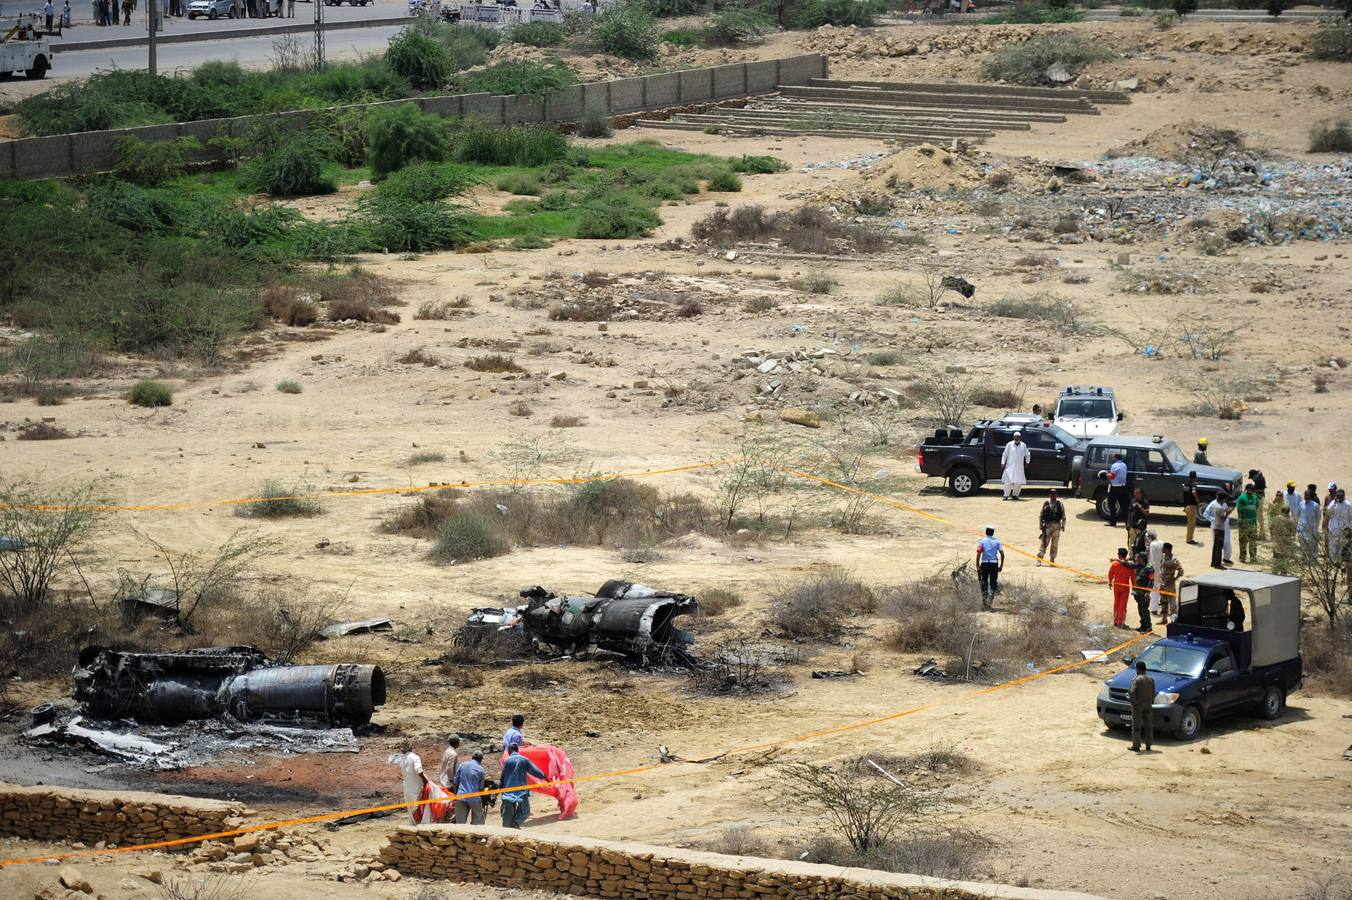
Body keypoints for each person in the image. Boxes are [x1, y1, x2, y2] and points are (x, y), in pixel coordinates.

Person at [389, 740, 449, 825]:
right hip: (416, 787)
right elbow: (419, 771)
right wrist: (425, 782)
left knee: (411, 809)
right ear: (411, 747)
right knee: (421, 807)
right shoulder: (415, 757)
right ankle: (422, 825)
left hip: (407, 788)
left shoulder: (402, 759)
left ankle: (413, 826)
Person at [499, 744, 546, 829]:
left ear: (510, 751)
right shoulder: (524, 760)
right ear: (517, 750)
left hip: (508, 792)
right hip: (522, 791)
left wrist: (501, 790)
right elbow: (534, 771)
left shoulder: (507, 761)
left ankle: (506, 829)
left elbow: (503, 776)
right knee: (525, 811)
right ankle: (515, 822)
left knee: (508, 813)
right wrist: (544, 776)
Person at [452, 751, 488, 825]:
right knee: (477, 822)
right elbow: (481, 787)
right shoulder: (481, 770)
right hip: (474, 798)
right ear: (481, 759)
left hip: (461, 796)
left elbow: (456, 782)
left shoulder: (463, 765)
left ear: (472, 757)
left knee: (460, 823)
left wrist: (457, 794)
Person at [1128, 660, 1155, 753]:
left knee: (1136, 725)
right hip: (1148, 704)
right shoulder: (1151, 679)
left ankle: (1136, 746)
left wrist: (1133, 701)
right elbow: (1153, 693)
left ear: (1138, 669)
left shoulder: (1137, 679)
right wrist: (1151, 701)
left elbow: (1132, 692)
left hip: (1138, 705)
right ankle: (1148, 745)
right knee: (1148, 725)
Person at [976, 526, 1003, 609]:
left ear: (986, 532)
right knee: (993, 582)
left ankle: (984, 601)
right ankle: (991, 598)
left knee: (984, 582)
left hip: (984, 564)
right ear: (993, 533)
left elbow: (978, 553)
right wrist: (1001, 565)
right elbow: (1002, 554)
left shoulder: (982, 541)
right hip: (994, 564)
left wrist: (977, 565)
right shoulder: (997, 542)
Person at [1327, 487, 1352, 572]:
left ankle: (1341, 566)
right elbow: (1328, 512)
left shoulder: (1348, 505)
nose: (1339, 497)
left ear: (1344, 496)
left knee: (1342, 549)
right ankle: (1335, 565)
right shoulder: (1333, 503)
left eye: (1341, 496)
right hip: (1333, 530)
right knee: (1332, 549)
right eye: (1338, 496)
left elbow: (1351, 518)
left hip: (1343, 531)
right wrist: (1334, 502)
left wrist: (1350, 530)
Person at [1038, 489, 1066, 565]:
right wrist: (1040, 524)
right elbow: (1041, 514)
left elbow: (1063, 516)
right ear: (1049, 495)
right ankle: (1039, 559)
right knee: (1044, 542)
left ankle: (1052, 559)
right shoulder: (1046, 503)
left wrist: (1063, 525)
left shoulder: (1060, 504)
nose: (1053, 496)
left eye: (1054, 494)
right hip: (1047, 526)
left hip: (1056, 526)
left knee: (1055, 544)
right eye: (1052, 494)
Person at [1157, 542, 1183, 624]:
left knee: (1172, 604)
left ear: (1167, 549)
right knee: (1163, 602)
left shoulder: (1174, 560)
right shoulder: (1163, 557)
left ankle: (1174, 620)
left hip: (1170, 585)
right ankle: (1164, 619)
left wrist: (1175, 578)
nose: (1162, 550)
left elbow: (1181, 571)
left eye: (1163, 548)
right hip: (1162, 583)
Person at [1203, 493, 1231, 569]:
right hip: (1218, 526)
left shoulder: (1223, 504)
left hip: (1224, 526)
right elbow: (1205, 514)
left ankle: (1223, 559)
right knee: (1218, 545)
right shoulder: (1214, 505)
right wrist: (1214, 520)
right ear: (1223, 498)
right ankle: (1217, 563)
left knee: (1224, 543)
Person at [1269, 490, 1295, 571]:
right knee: (1284, 558)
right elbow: (1293, 531)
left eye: (1280, 495)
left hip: (1278, 540)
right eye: (1277, 495)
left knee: (1277, 557)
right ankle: (1283, 571)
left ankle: (1276, 571)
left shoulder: (1277, 518)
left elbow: (1271, 528)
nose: (1278, 497)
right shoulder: (1290, 520)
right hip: (1285, 541)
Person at [1235, 483, 1261, 565]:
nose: (1252, 490)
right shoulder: (1241, 498)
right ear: (1247, 489)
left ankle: (1253, 557)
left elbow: (1256, 507)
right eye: (1251, 489)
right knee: (1243, 541)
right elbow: (1239, 510)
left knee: (1253, 541)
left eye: (1253, 489)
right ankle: (1243, 557)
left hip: (1253, 523)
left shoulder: (1255, 497)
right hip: (1244, 523)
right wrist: (1241, 522)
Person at [1000, 432, 1030, 501]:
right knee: (1007, 482)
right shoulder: (1009, 444)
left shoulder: (1023, 445)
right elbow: (1005, 454)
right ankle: (1006, 495)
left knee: (1018, 482)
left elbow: (1027, 454)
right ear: (1013, 437)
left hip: (1019, 467)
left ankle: (1015, 495)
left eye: (1018, 437)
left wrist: (1027, 462)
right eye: (1015, 437)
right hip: (1009, 467)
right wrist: (1002, 463)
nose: (1016, 438)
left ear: (1020, 437)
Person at [1108, 548, 1133, 629]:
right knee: (1123, 605)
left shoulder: (1115, 564)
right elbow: (1133, 577)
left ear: (1120, 555)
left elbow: (1110, 574)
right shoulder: (1129, 565)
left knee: (1116, 603)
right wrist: (1134, 587)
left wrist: (1110, 582)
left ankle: (1115, 621)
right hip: (1125, 586)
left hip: (1116, 586)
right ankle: (1120, 622)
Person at [1129, 550, 1153, 633]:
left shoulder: (1149, 569)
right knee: (1140, 609)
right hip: (1137, 593)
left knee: (1144, 610)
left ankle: (1148, 627)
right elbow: (1129, 565)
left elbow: (1151, 581)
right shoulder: (1138, 566)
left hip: (1144, 593)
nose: (1136, 559)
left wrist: (1147, 592)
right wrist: (1121, 561)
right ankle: (1142, 626)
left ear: (1142, 559)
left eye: (1138, 557)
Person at [1297, 485, 1323, 559]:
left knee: (1312, 544)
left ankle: (1312, 560)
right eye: (1305, 495)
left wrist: (1314, 526)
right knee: (1303, 544)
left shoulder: (1315, 505)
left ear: (1310, 496)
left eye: (1307, 495)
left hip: (1312, 529)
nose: (1306, 497)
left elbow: (1318, 517)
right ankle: (1304, 558)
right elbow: (1298, 515)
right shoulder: (1301, 504)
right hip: (1302, 528)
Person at [1106, 452, 1129, 528]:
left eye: (1113, 457)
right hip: (1123, 487)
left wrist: (1106, 474)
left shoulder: (1115, 465)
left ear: (1116, 458)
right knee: (1124, 506)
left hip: (1115, 487)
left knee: (1111, 504)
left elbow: (1112, 476)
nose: (1112, 458)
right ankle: (1127, 522)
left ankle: (1113, 522)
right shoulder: (1124, 465)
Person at [1182, 471, 1202, 546]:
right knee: (1191, 524)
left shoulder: (1186, 485)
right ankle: (1189, 540)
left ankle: (1189, 538)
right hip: (1192, 506)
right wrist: (1197, 499)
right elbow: (1193, 492)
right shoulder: (1193, 485)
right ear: (1195, 477)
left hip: (1186, 506)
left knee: (1189, 522)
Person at [1248, 469, 1268, 539]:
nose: (1252, 479)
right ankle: (1260, 534)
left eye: (1252, 477)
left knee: (1259, 517)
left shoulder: (1259, 480)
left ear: (1254, 475)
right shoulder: (1260, 478)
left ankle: (1262, 535)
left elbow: (1256, 491)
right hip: (1258, 499)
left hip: (1259, 500)